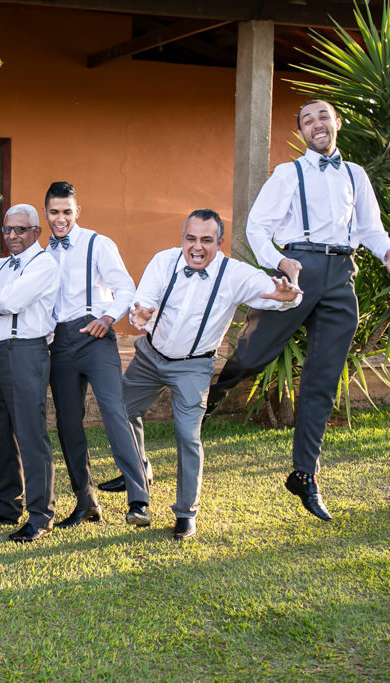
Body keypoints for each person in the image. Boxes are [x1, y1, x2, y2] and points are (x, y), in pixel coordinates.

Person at [207, 100, 390, 520]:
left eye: (322, 116)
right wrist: (280, 262)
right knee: (252, 356)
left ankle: (305, 475)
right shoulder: (288, 174)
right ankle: (209, 399)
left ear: (337, 122)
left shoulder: (355, 175)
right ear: (303, 132)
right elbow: (257, 228)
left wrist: (386, 252)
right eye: (307, 120)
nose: (316, 124)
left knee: (322, 380)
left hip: (341, 276)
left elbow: (370, 229)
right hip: (296, 271)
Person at [124, 209, 301, 541]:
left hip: (193, 365)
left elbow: (276, 293)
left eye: (206, 240)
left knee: (187, 436)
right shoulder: (163, 262)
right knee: (122, 411)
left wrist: (287, 297)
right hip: (149, 356)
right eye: (190, 238)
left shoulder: (235, 275)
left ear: (219, 243)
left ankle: (186, 513)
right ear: (182, 239)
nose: (197, 247)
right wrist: (141, 312)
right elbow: (143, 302)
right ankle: (140, 469)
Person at [42, 182, 151, 528]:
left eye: (67, 212)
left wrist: (107, 318)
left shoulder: (98, 243)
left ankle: (139, 500)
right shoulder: (43, 254)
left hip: (96, 335)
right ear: (46, 213)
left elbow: (126, 287)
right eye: (54, 212)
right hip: (59, 342)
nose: (60, 219)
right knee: (67, 423)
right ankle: (86, 501)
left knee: (114, 412)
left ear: (78, 212)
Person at [0, 204, 59, 542]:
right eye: (7, 230)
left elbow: (11, 302)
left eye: (20, 230)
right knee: (1, 430)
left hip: (26, 352)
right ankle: (7, 503)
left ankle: (40, 514)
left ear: (36, 232)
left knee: (30, 432)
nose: (12, 236)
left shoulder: (45, 264)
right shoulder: (1, 265)